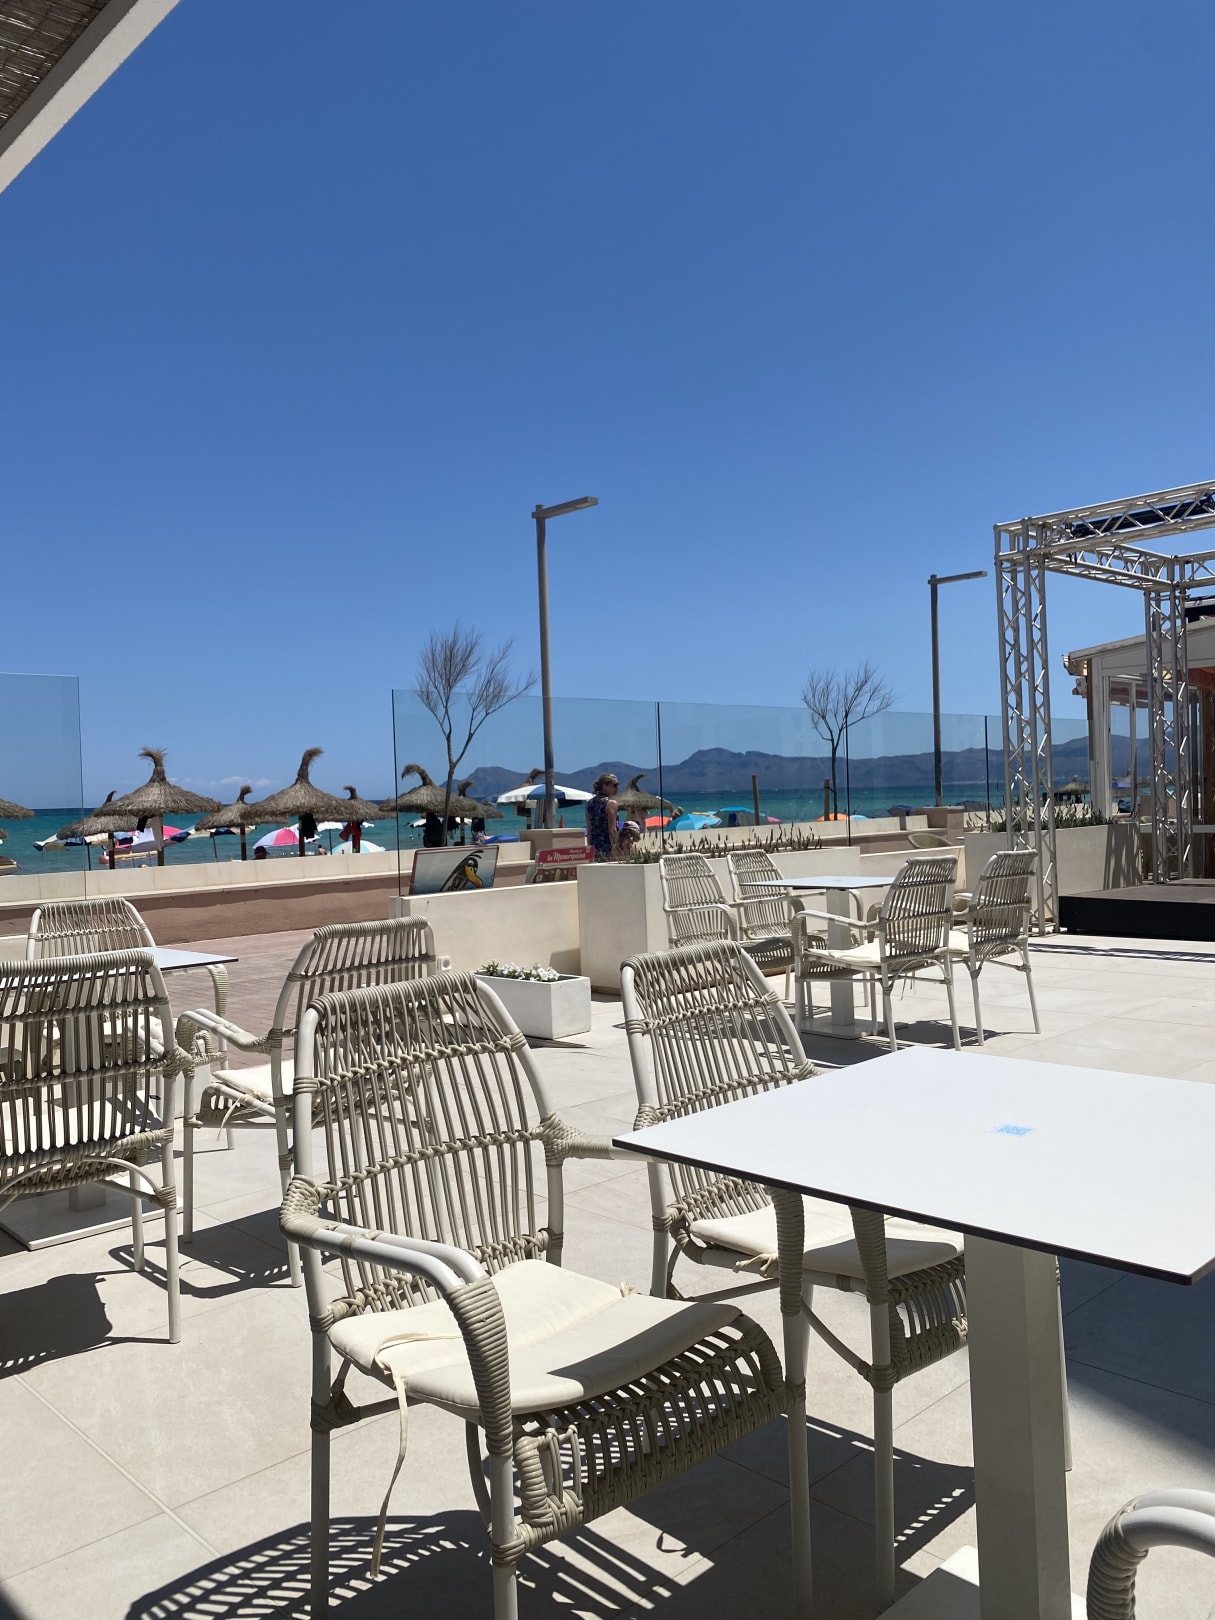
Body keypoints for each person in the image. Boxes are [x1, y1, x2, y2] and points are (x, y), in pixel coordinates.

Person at [585, 773, 620, 862]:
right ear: (605, 786)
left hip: (595, 846)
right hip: (607, 846)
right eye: (615, 785)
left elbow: (589, 829)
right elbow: (612, 830)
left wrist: (590, 848)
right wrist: (617, 849)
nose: (617, 788)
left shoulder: (589, 804)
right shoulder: (611, 803)